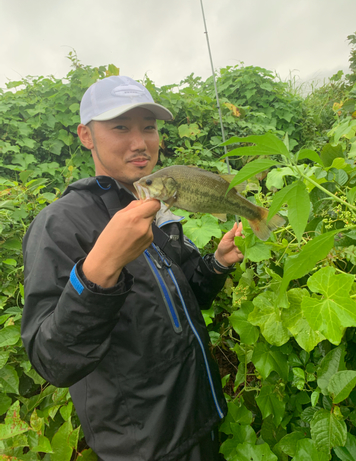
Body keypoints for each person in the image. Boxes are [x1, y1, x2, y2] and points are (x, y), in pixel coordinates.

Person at [21, 76, 244, 461]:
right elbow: (51, 359)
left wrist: (217, 264)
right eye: (120, 127)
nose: (140, 143)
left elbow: (188, 299)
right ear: (86, 136)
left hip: (202, 418)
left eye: (149, 128)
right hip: (144, 447)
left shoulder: (160, 206)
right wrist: (100, 270)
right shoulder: (59, 225)